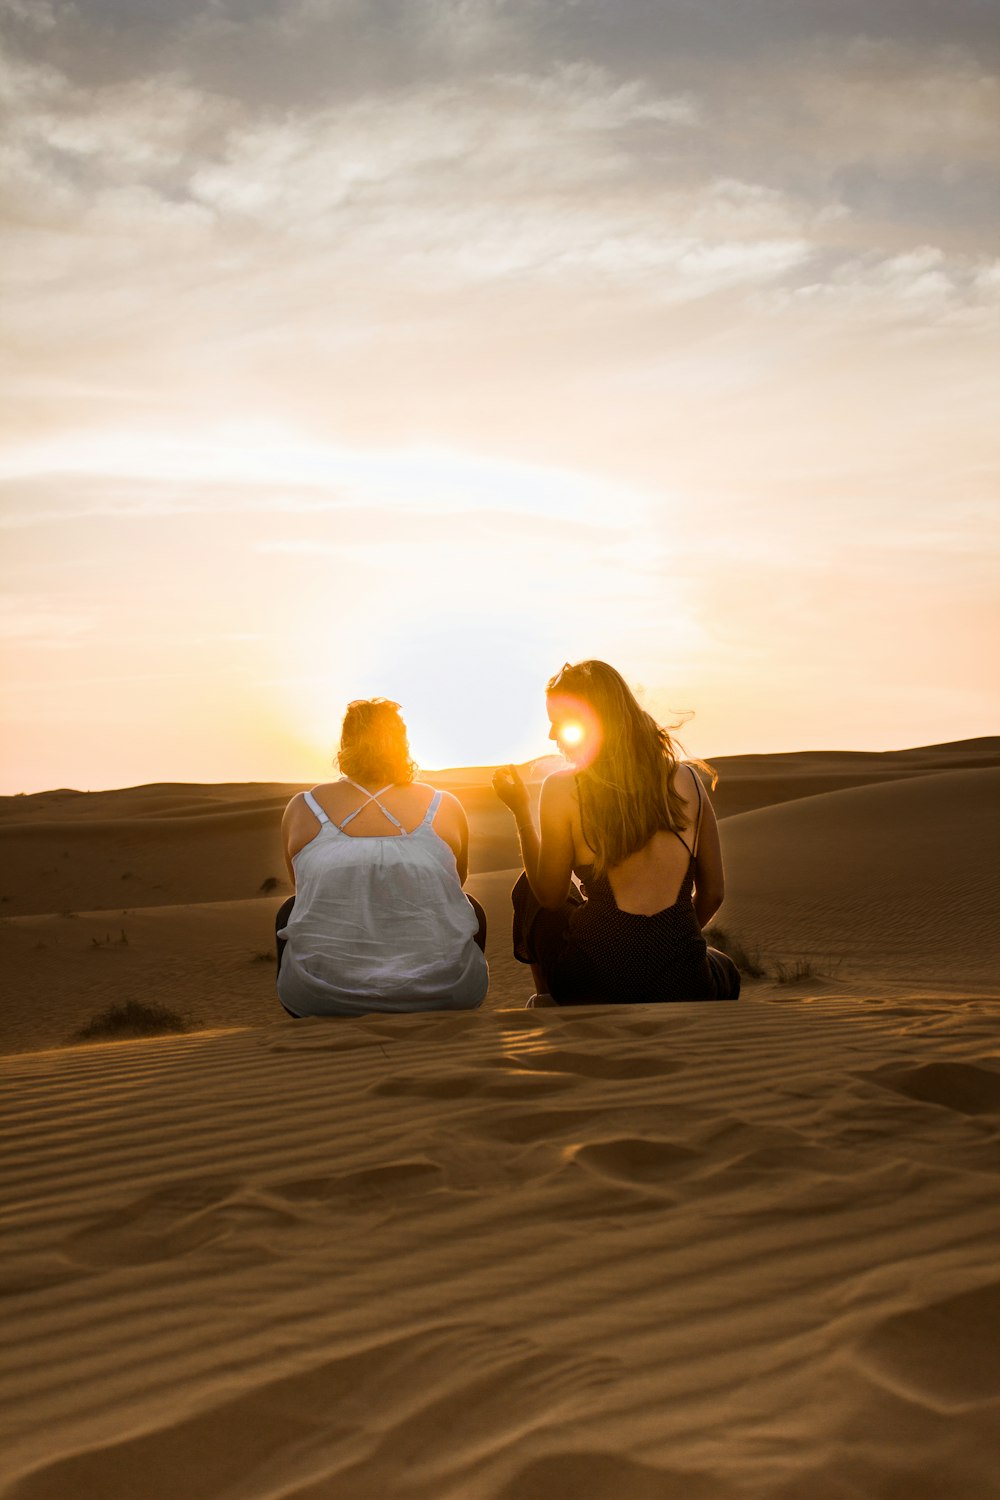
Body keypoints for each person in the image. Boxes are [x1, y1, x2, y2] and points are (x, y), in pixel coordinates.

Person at [492, 661, 740, 1005]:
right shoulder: (688, 782)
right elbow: (712, 894)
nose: (551, 735)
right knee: (725, 968)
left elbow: (549, 897)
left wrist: (520, 811)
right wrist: (666, 949)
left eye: (558, 723)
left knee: (529, 887)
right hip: (685, 982)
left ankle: (547, 998)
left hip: (592, 983)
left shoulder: (562, 787)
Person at [275, 698, 489, 1017]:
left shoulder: (303, 808)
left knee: (288, 911)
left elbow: (302, 889)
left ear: (345, 743)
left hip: (319, 997)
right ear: (402, 745)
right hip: (444, 993)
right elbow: (456, 881)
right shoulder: (444, 807)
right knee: (473, 909)